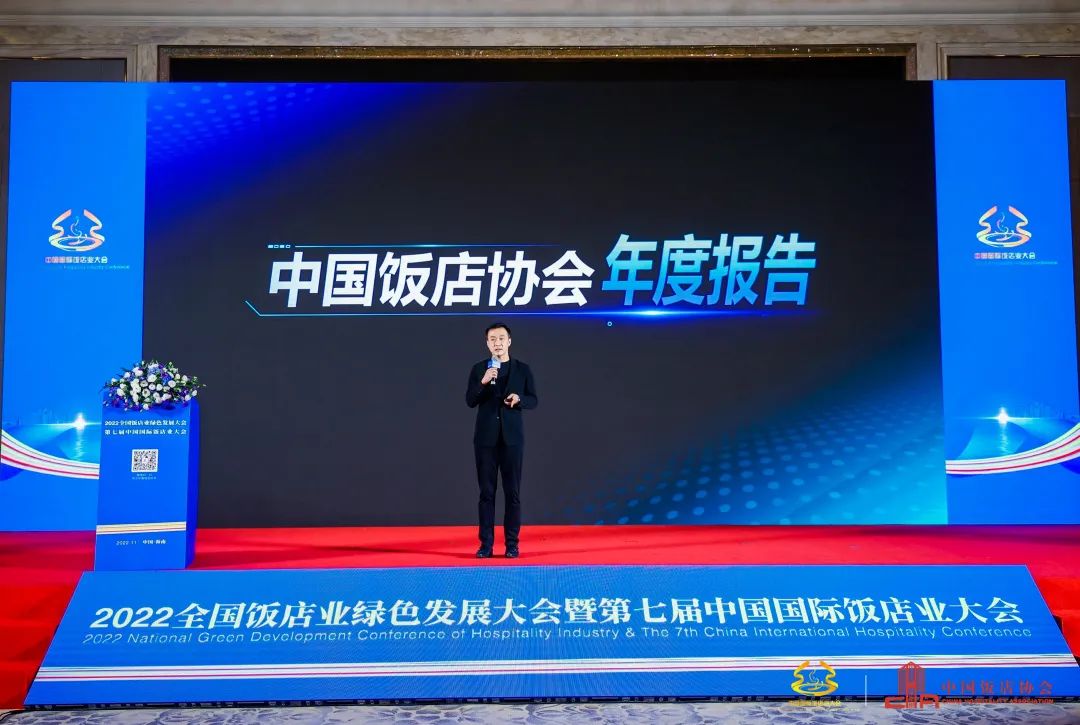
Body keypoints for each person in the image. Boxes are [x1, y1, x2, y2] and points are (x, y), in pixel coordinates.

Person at [465, 322, 538, 558]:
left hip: (512, 440)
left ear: (509, 341)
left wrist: (519, 399)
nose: (497, 343)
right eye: (493, 339)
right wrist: (483, 382)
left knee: (512, 493)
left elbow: (533, 399)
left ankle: (512, 544)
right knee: (486, 493)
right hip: (485, 440)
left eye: (501, 338)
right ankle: (486, 545)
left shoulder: (522, 369)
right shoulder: (479, 369)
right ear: (487, 343)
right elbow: (470, 400)